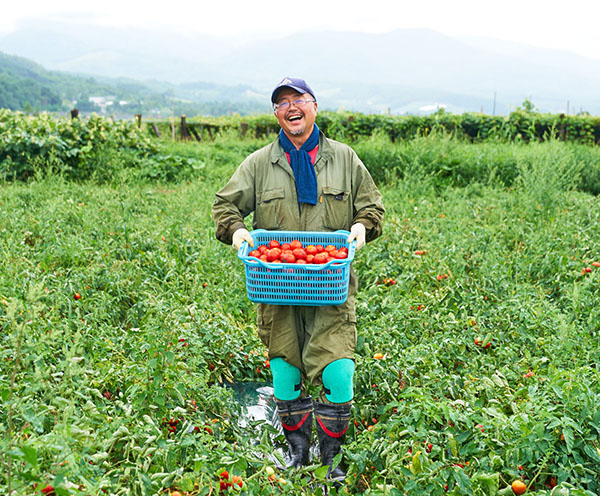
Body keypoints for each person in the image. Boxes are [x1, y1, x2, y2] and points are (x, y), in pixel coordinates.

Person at [212, 77, 384, 484]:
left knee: (339, 369)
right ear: (276, 114)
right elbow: (225, 204)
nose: (291, 108)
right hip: (276, 284)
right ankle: (297, 451)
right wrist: (236, 231)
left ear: (314, 106)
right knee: (285, 368)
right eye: (282, 103)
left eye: (298, 100)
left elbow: (371, 206)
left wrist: (361, 228)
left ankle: (332, 455)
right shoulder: (259, 163)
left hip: (331, 284)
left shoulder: (344, 159)